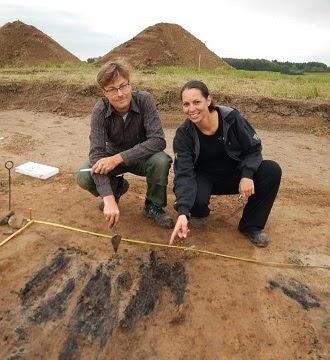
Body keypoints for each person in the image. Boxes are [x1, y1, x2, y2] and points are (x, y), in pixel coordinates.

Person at [169, 80, 281, 247]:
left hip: (234, 175)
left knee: (271, 170)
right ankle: (198, 212)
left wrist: (247, 174)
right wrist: (183, 212)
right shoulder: (183, 134)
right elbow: (184, 173)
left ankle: (251, 226)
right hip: (204, 178)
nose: (191, 109)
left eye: (196, 102)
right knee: (195, 204)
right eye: (186, 104)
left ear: (208, 100)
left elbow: (253, 149)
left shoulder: (231, 118)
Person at [76, 61, 174, 229]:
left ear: (130, 85)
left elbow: (158, 140)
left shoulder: (145, 100)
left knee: (161, 160)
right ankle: (116, 190)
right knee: (84, 175)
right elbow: (97, 154)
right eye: (112, 89)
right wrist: (107, 198)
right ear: (104, 92)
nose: (120, 94)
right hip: (112, 157)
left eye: (123, 86)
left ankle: (153, 206)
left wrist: (118, 158)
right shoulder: (100, 110)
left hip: (143, 157)